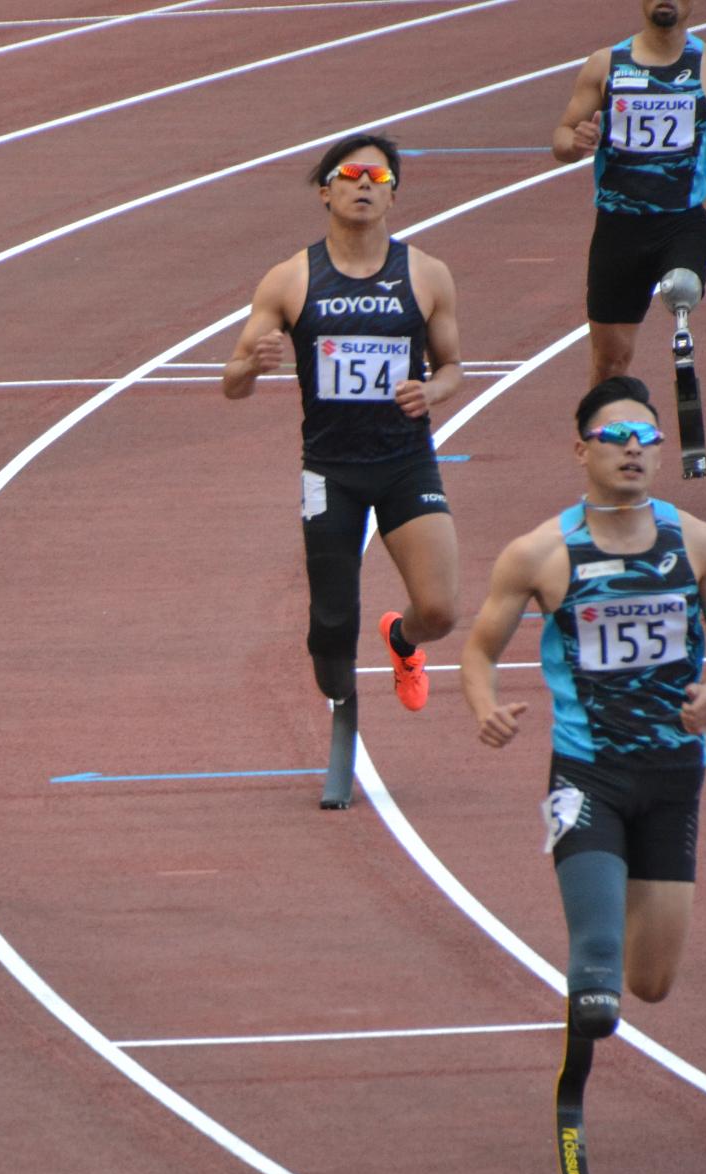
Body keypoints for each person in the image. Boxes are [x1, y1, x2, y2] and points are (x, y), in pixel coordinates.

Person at [459, 375, 706, 1174]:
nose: (633, 448)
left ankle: (603, 978)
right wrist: (485, 706)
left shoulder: (698, 543)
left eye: (645, 436)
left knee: (650, 982)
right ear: (580, 448)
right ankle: (572, 1105)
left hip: (672, 778)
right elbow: (478, 650)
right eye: (616, 434)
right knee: (597, 983)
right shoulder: (539, 554)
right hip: (587, 777)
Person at [221, 133, 464, 809]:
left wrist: (433, 392)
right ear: (325, 190)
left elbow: (452, 367)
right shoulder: (291, 278)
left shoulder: (426, 274)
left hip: (404, 462)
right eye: (347, 174)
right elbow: (230, 381)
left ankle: (400, 637)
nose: (363, 184)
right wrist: (253, 363)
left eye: (376, 174)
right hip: (330, 469)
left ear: (392, 192)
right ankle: (340, 695)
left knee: (441, 609)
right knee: (330, 628)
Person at [552, 0, 706, 387]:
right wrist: (575, 142)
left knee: (681, 289)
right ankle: (599, 442)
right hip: (619, 229)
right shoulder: (605, 65)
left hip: (681, 223)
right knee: (609, 364)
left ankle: (685, 382)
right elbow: (562, 137)